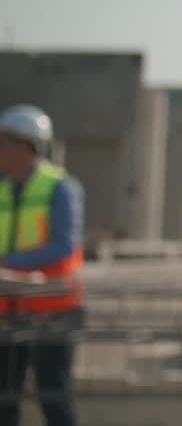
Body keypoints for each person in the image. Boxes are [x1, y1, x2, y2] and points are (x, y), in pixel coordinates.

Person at [0, 105, 84, 426]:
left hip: (54, 310)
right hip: (9, 310)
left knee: (54, 397)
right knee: (4, 401)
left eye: (3, 143)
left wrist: (9, 264)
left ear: (24, 146)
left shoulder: (60, 188)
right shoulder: (3, 189)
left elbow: (63, 245)